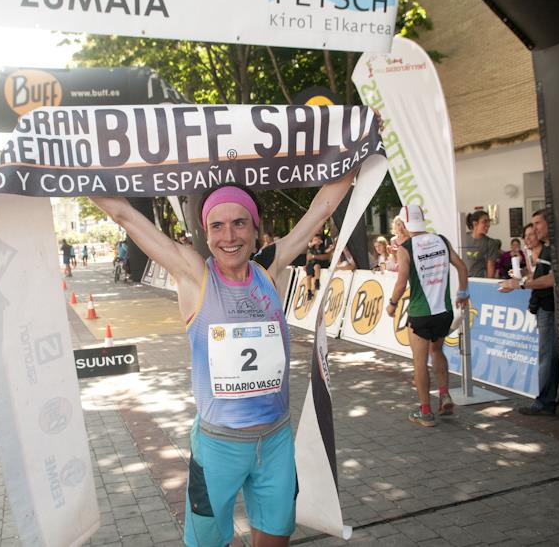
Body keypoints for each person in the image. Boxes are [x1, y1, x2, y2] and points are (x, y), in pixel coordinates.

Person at [90, 169, 360, 547]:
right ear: (206, 231)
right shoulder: (195, 275)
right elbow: (125, 215)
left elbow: (320, 209)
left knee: (275, 541)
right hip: (218, 448)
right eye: (217, 226)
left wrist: (355, 159)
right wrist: (74, 168)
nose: (229, 236)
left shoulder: (270, 267)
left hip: (276, 442)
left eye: (239, 224)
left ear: (255, 228)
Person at [386, 205, 469, 427]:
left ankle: (426, 412)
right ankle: (444, 395)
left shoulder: (406, 247)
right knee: (438, 350)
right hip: (444, 311)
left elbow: (401, 281)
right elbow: (462, 267)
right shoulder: (441, 240)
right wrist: (463, 293)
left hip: (420, 313)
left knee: (419, 361)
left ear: (403, 224)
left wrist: (392, 305)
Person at [499, 209, 558, 415]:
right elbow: (537, 274)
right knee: (549, 356)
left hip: (549, 308)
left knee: (547, 355)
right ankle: (549, 399)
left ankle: (545, 403)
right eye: (531, 228)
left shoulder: (552, 249)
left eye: (537, 225)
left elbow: (551, 279)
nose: (533, 231)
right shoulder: (547, 250)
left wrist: (521, 284)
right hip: (543, 306)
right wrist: (521, 278)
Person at [461, 210, 499, 278]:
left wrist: (488, 285)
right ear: (475, 224)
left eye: (489, 221)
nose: (488, 224)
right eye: (484, 221)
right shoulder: (462, 238)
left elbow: (491, 268)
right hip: (462, 280)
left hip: (479, 282)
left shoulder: (491, 243)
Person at [303, 233, 330, 300]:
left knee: (317, 267)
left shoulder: (322, 247)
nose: (316, 241)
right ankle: (309, 291)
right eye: (315, 240)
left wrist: (331, 248)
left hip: (317, 263)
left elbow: (327, 252)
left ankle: (317, 281)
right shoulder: (311, 248)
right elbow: (308, 257)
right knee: (308, 276)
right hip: (310, 263)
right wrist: (306, 265)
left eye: (318, 240)